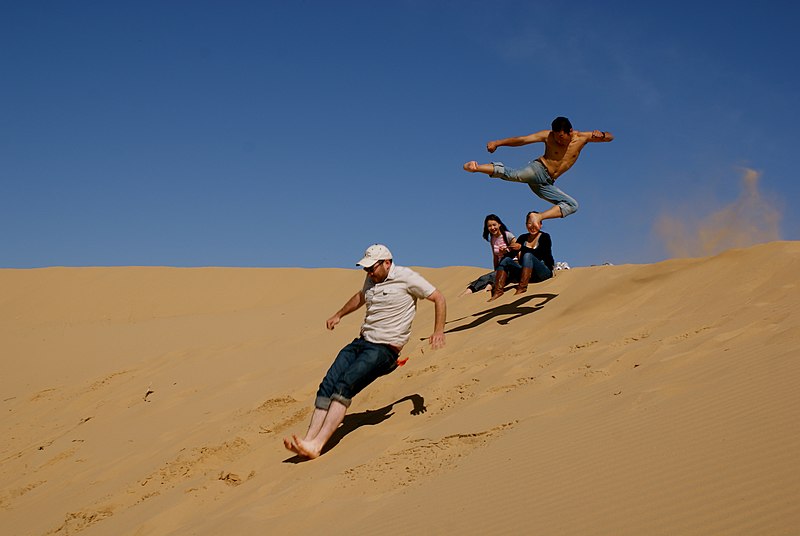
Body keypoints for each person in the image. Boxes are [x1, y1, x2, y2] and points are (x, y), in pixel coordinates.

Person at [284, 244, 446, 459]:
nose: (368, 273)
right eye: (366, 269)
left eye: (372, 268)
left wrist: (438, 331)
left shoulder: (407, 277)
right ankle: (308, 440)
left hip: (384, 349)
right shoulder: (372, 279)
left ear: (387, 262)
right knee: (328, 385)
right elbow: (361, 297)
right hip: (362, 342)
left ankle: (317, 445)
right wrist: (339, 314)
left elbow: (438, 298)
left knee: (344, 386)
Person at [463, 116, 614, 231]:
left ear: (570, 132)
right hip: (538, 169)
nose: (559, 141)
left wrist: (601, 134)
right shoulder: (547, 136)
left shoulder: (583, 137)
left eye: (562, 138)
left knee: (572, 205)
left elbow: (610, 137)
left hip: (546, 183)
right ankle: (476, 167)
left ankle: (538, 216)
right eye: (556, 137)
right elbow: (522, 140)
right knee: (515, 175)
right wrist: (498, 143)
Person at [489, 211, 555, 301]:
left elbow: (542, 254)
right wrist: (506, 252)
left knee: (528, 255)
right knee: (506, 259)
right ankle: (498, 291)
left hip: (543, 273)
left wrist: (522, 248)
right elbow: (512, 254)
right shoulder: (522, 238)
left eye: (535, 223)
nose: (532, 226)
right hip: (528, 275)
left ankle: (522, 288)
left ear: (540, 224)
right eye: (529, 223)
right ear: (526, 225)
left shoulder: (545, 237)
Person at [460, 214, 517, 296]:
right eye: (489, 226)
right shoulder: (493, 239)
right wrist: (495, 269)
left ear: (499, 224)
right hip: (501, 266)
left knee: (494, 277)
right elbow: (495, 257)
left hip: (513, 264)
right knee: (483, 278)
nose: (492, 228)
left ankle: (484, 294)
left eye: (494, 225)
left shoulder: (508, 235)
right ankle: (466, 293)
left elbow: (518, 249)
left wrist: (507, 251)